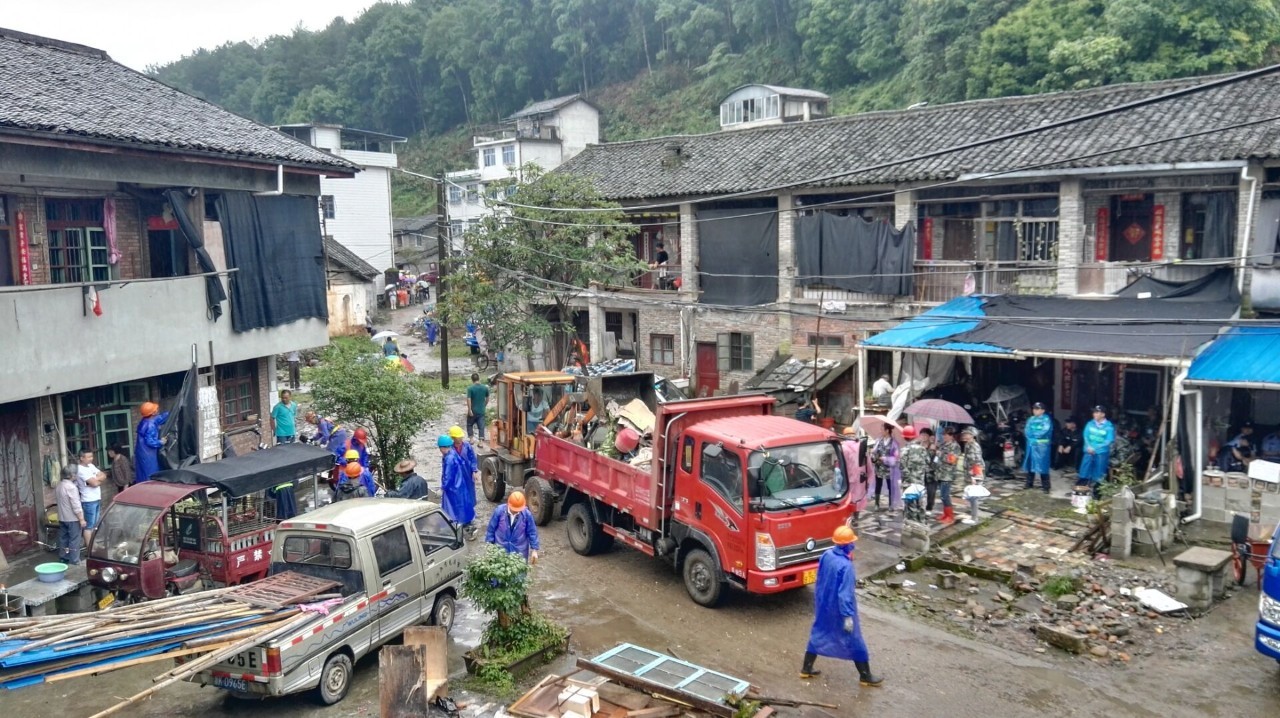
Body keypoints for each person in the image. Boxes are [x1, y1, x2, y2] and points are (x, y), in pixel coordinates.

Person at [800, 525, 883, 687]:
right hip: (839, 610)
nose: (853, 544)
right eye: (852, 542)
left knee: (819, 633)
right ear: (847, 545)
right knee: (855, 640)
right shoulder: (846, 567)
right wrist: (847, 617)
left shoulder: (826, 555)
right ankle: (865, 676)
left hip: (824, 604)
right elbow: (844, 595)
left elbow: (820, 577)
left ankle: (806, 668)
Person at [486, 490, 540, 563]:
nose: (516, 511)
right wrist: (489, 545)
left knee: (519, 573)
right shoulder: (499, 511)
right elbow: (491, 529)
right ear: (508, 503)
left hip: (519, 552)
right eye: (514, 509)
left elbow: (532, 532)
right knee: (500, 571)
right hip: (501, 550)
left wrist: (534, 550)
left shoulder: (527, 515)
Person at [438, 434, 476, 536]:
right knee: (464, 506)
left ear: (442, 447)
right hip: (460, 485)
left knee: (453, 509)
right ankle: (468, 525)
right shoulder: (453, 453)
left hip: (453, 488)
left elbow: (448, 475)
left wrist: (443, 487)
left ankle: (457, 531)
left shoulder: (449, 459)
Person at [1077, 406, 1115, 495]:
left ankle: (1096, 496)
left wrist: (1095, 448)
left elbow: (1108, 440)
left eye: (1097, 412)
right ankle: (1080, 494)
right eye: (1094, 412)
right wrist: (1089, 447)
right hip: (1089, 451)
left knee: (1099, 475)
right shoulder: (1090, 424)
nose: (1095, 414)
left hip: (1101, 453)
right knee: (1084, 472)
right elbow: (1086, 436)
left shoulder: (1109, 426)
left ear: (1103, 414)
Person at [55, 465, 86, 565]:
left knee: (63, 538)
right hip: (72, 518)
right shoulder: (71, 487)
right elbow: (76, 505)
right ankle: (74, 560)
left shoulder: (59, 486)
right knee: (74, 540)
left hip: (62, 517)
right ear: (72, 475)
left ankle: (64, 557)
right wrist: (81, 519)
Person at [897, 426, 929, 518]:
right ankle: (921, 525)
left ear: (904, 437)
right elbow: (927, 463)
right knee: (921, 506)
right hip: (920, 483)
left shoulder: (904, 450)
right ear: (915, 436)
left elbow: (902, 467)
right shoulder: (923, 449)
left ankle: (911, 526)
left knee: (910, 508)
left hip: (909, 484)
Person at [75, 449, 105, 545]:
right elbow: (95, 483)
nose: (91, 459)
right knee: (89, 526)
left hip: (96, 498)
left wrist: (96, 479)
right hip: (88, 500)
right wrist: (97, 480)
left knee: (94, 525)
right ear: (81, 458)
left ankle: (92, 545)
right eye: (88, 457)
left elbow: (104, 475)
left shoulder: (91, 466)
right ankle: (89, 549)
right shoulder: (80, 469)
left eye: (91, 456)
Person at [134, 401, 169, 483]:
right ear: (153, 413)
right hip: (147, 454)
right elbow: (150, 442)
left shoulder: (146, 420)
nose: (157, 410)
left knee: (142, 473)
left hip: (142, 451)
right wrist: (161, 442)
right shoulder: (150, 425)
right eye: (155, 409)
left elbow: (159, 419)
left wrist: (170, 413)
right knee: (150, 473)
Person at [840, 427, 870, 521]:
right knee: (858, 497)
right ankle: (856, 517)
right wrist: (869, 476)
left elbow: (840, 463)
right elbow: (867, 462)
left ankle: (848, 517)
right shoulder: (862, 445)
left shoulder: (843, 447)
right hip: (861, 476)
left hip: (847, 477)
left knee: (848, 498)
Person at [1022, 402, 1053, 493]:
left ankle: (1046, 486)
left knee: (1043, 466)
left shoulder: (1046, 420)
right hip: (1031, 445)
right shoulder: (1031, 419)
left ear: (1042, 410)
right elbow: (1027, 430)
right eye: (1034, 409)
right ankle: (1029, 483)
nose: (1035, 411)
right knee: (1030, 464)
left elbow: (1044, 431)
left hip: (1042, 447)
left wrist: (1034, 437)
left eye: (1037, 409)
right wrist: (1031, 438)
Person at [868, 431, 900, 511]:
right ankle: (877, 504)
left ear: (887, 431)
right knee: (878, 485)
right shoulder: (879, 441)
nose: (881, 431)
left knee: (890, 486)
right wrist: (872, 454)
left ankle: (891, 504)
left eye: (883, 429)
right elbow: (874, 453)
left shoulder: (894, 443)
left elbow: (896, 457)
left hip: (889, 469)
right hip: (879, 467)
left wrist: (886, 459)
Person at [937, 426, 963, 524]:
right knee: (942, 495)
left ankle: (950, 516)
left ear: (951, 436)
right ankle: (945, 513)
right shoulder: (943, 444)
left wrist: (940, 455)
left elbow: (952, 460)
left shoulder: (955, 446)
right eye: (943, 435)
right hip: (940, 473)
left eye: (946, 435)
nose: (944, 437)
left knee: (945, 495)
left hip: (948, 474)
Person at [466, 373, 490, 444]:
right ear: (479, 378)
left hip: (473, 410)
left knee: (469, 424)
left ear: (472, 380)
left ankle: (471, 439)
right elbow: (488, 398)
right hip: (481, 411)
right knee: (481, 426)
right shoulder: (485, 388)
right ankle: (481, 442)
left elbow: (469, 399)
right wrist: (484, 405)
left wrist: (470, 409)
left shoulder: (470, 388)